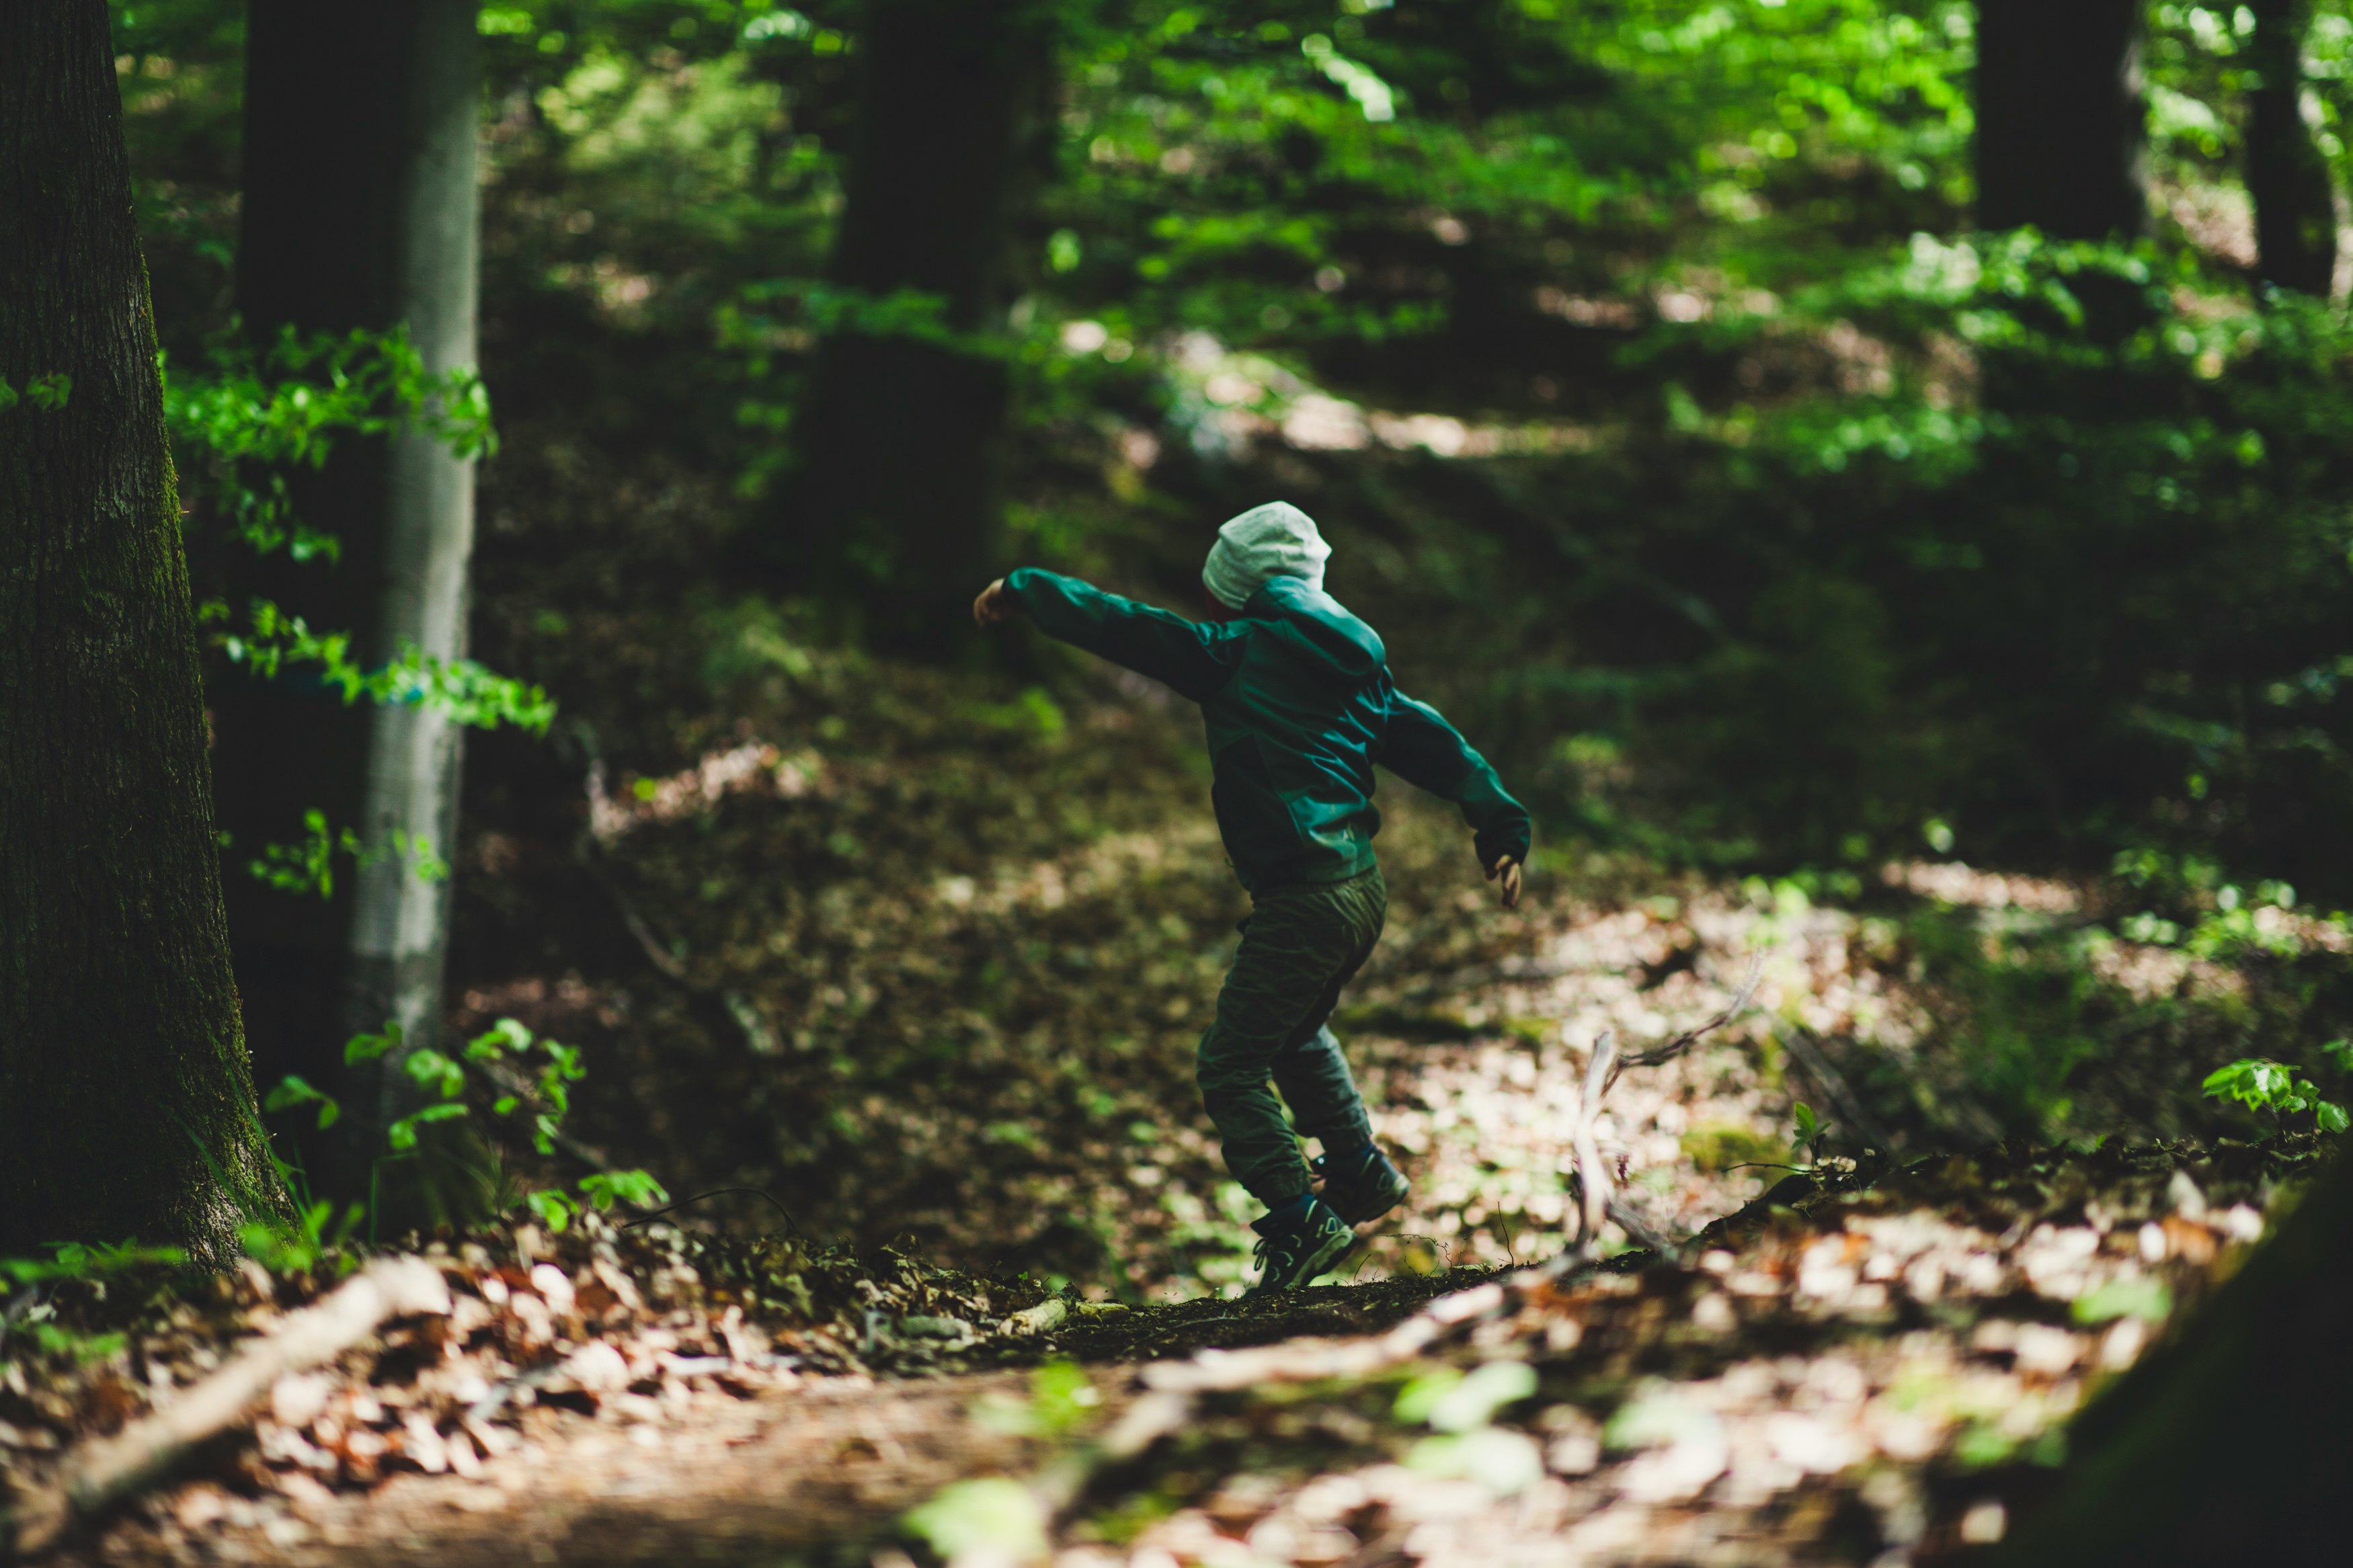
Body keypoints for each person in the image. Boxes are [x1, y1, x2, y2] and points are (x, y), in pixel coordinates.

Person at [972, 501, 1531, 1294]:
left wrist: (1027, 587)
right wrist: (1501, 823)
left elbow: (1126, 626)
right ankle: (1360, 1170)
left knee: (1229, 1064)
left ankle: (1300, 1217)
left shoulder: (1230, 650)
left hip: (1305, 896)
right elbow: (1437, 742)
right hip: (1358, 890)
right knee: (1295, 1032)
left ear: (1230, 594)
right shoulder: (1359, 670)